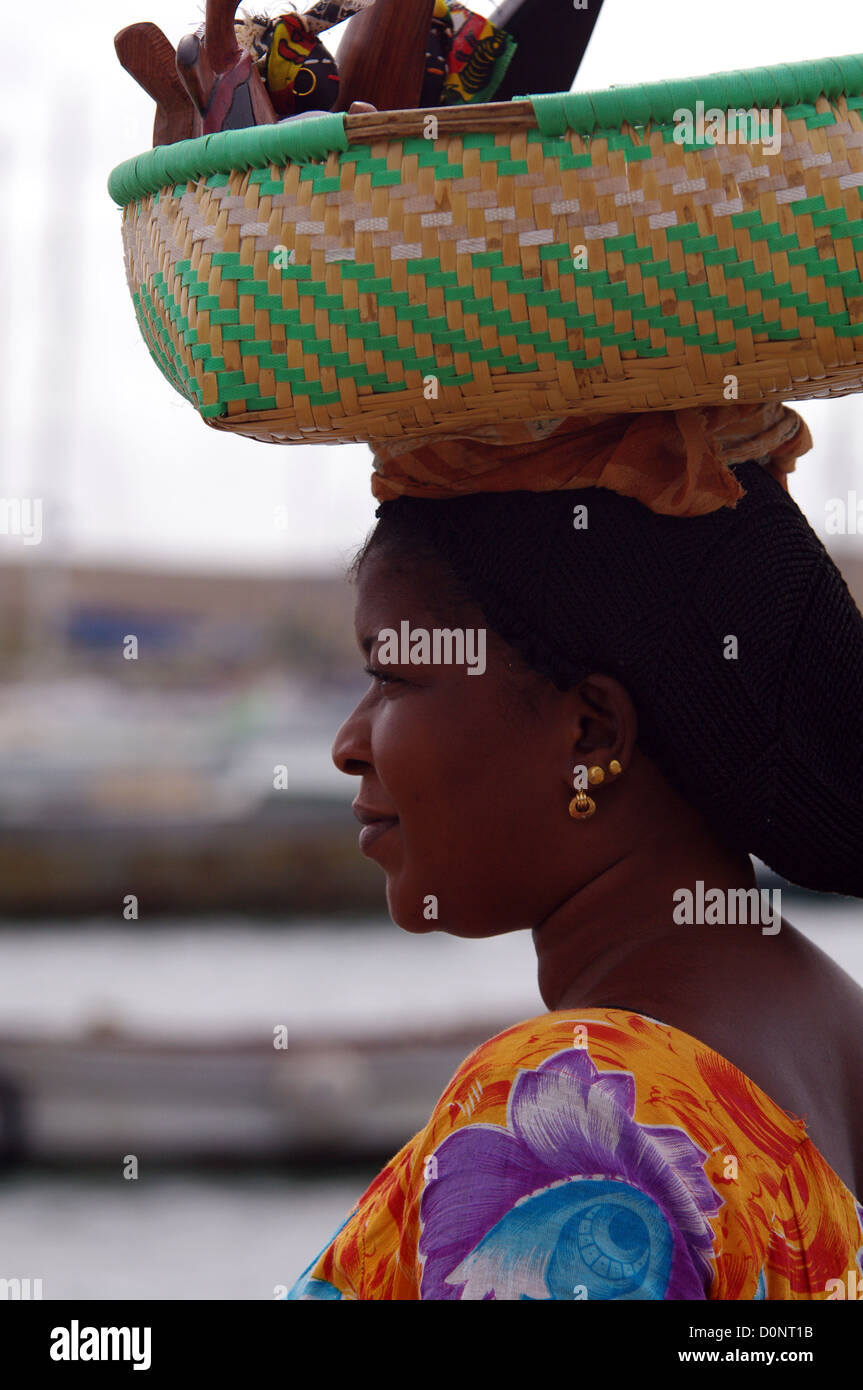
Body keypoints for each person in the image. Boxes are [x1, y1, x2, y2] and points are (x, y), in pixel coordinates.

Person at [285, 401, 863, 1301]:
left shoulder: (583, 1113)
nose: (348, 743)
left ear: (590, 734)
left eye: (393, 676)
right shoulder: (835, 1031)